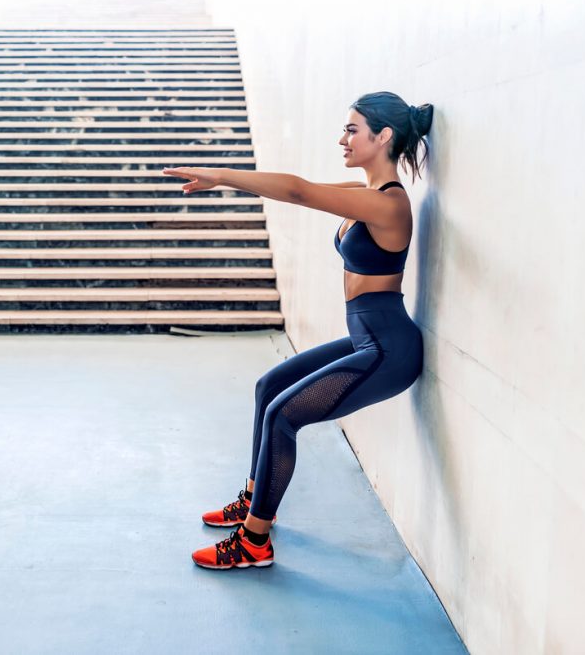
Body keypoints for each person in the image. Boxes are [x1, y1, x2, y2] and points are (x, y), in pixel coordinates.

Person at [162, 91, 434, 569]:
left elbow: (297, 191)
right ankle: (252, 501)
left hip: (390, 349)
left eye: (352, 130)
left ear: (383, 136)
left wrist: (221, 175)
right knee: (269, 387)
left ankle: (254, 541)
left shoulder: (390, 207)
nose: (342, 140)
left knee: (284, 415)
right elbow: (303, 185)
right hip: (368, 338)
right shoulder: (365, 196)